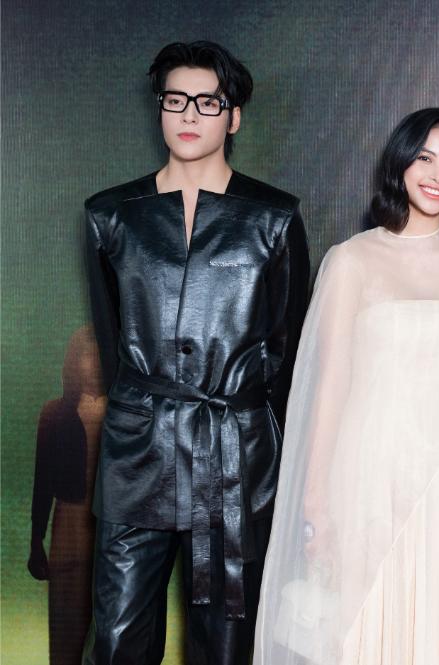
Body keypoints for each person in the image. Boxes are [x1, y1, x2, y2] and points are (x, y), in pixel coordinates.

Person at [254, 108, 439, 665]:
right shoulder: (352, 259)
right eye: (425, 158)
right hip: (366, 466)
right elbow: (331, 383)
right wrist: (316, 499)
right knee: (364, 620)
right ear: (399, 165)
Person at [83, 41, 310, 665]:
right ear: (159, 107)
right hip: (138, 452)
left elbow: (288, 350)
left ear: (233, 117)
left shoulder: (274, 217)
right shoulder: (110, 216)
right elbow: (111, 339)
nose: (189, 113)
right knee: (118, 638)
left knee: (227, 641)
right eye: (175, 99)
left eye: (208, 102)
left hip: (237, 454)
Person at [28, 325, 105, 665]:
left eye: (100, 354)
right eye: (88, 354)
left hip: (111, 538)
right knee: (66, 637)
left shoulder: (121, 413)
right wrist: (36, 541)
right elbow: (42, 483)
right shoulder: (53, 414)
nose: (95, 362)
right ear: (73, 361)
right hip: (68, 535)